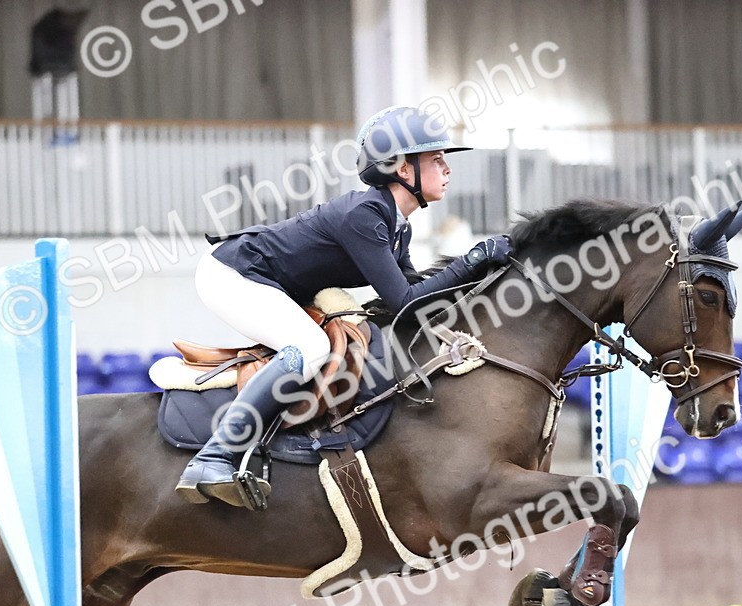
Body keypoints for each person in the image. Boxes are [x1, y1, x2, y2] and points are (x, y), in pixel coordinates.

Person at [176, 105, 514, 508]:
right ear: (404, 170)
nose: (447, 168)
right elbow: (405, 301)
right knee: (310, 348)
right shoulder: (364, 216)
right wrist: (471, 260)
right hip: (232, 274)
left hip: (266, 281)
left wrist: (480, 275)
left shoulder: (395, 226)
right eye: (436, 159)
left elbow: (412, 297)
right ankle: (215, 456)